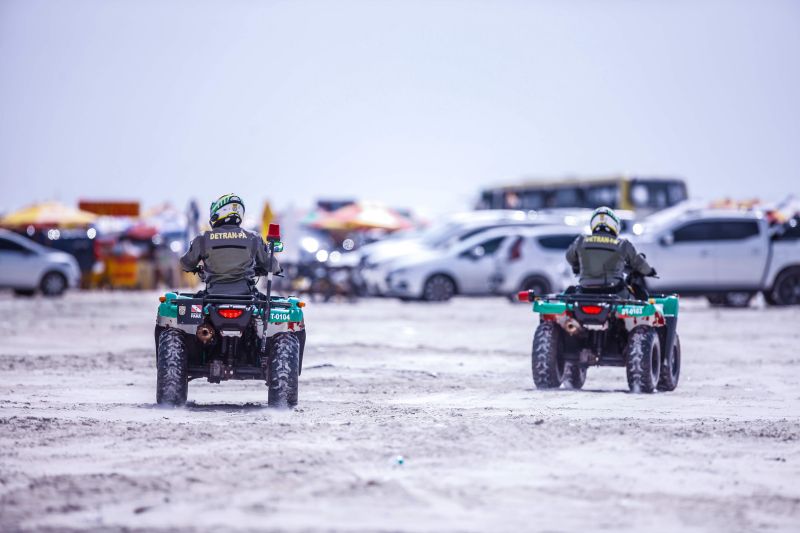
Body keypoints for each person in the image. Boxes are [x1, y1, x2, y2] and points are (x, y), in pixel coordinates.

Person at [180, 194, 280, 294]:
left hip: (213, 294)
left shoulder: (203, 238)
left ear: (217, 212)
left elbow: (186, 264)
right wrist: (275, 269)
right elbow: (273, 266)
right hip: (245, 294)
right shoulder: (253, 237)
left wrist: (196, 269)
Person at [566, 206, 655, 298]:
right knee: (641, 296)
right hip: (616, 293)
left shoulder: (581, 241)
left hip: (585, 292)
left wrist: (577, 266)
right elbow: (639, 263)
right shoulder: (623, 244)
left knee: (569, 293)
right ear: (614, 224)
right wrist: (650, 271)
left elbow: (569, 257)